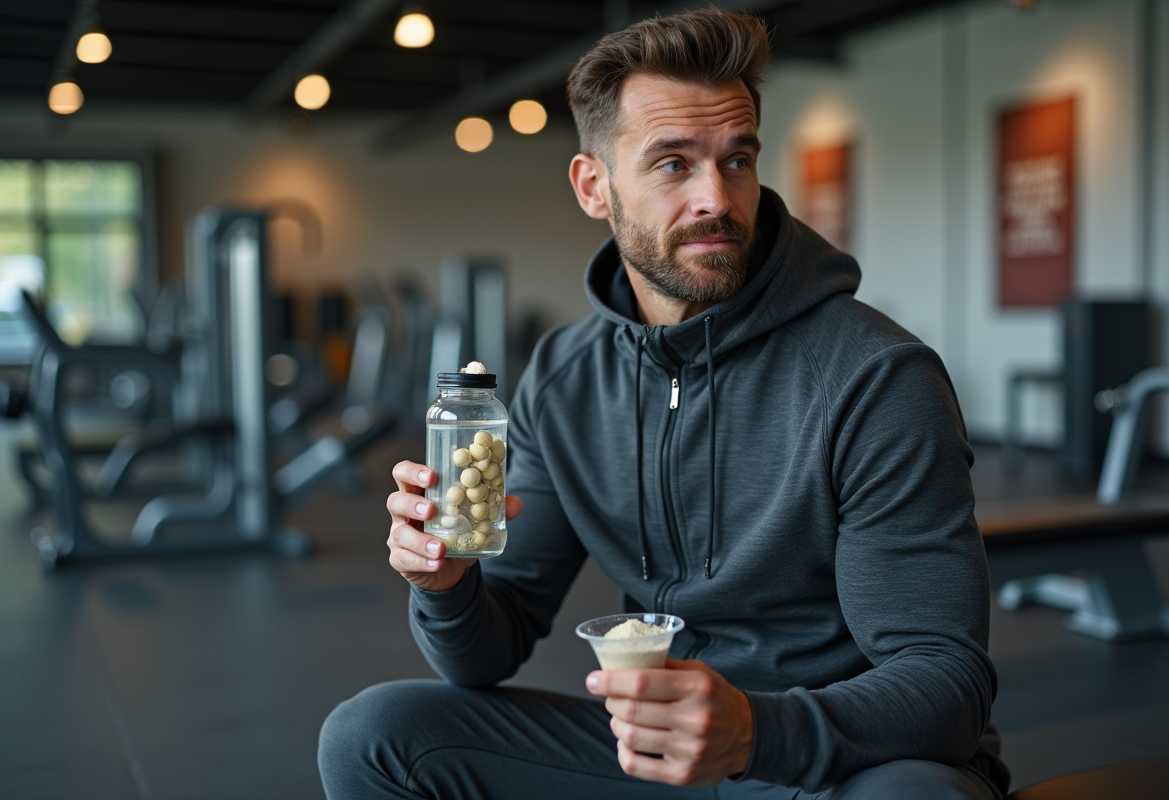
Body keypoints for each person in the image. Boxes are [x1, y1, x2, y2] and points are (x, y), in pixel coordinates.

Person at [319, 8, 1010, 799]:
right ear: (594, 187)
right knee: (374, 738)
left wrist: (753, 731)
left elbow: (947, 685)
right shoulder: (563, 377)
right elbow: (491, 648)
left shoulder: (876, 377)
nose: (717, 198)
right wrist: (444, 587)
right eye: (674, 165)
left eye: (737, 159)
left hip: (829, 763)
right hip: (654, 754)